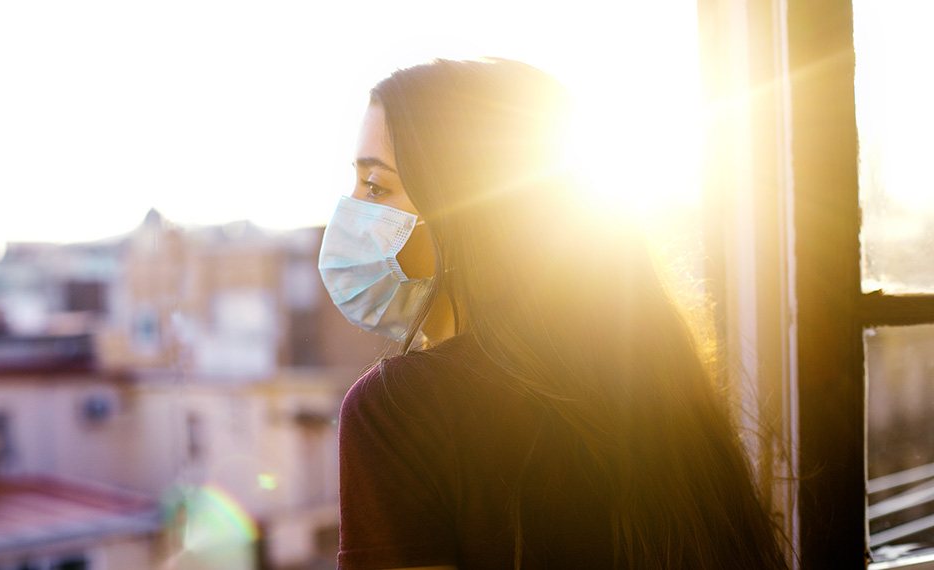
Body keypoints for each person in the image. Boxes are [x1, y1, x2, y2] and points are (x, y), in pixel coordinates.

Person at [318, 57, 789, 570]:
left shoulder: (396, 412)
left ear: (468, 210)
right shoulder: (655, 380)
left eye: (375, 187)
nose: (350, 211)